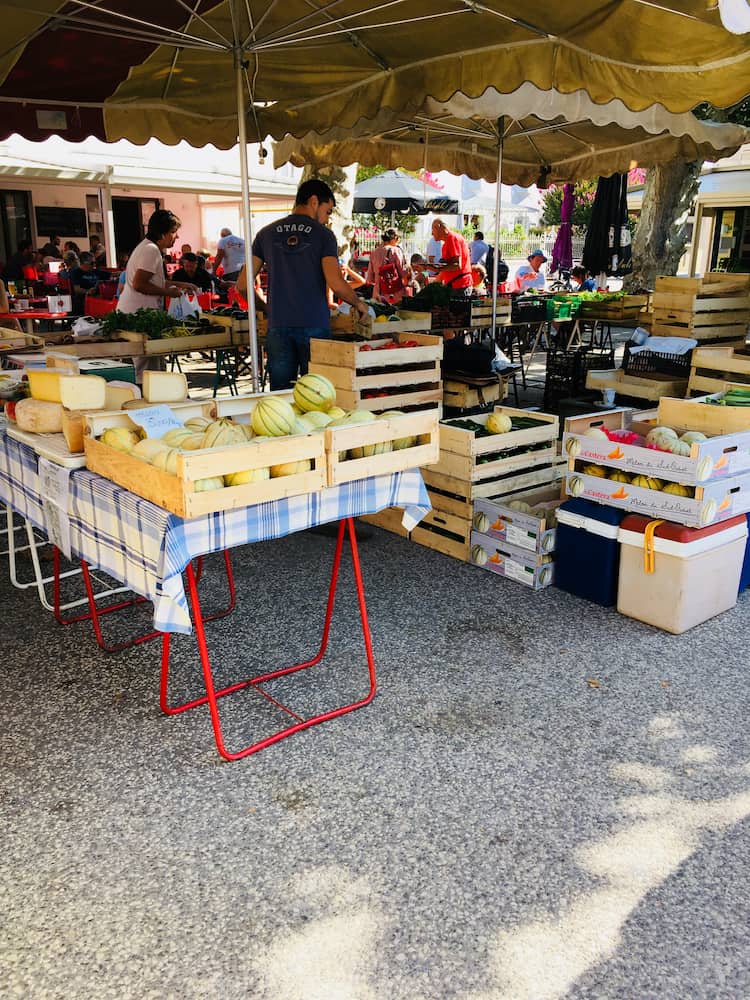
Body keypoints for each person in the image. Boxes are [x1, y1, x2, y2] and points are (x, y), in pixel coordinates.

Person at [240, 178, 370, 390]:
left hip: (278, 326)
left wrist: (265, 308)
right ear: (313, 201)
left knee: (281, 400)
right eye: (328, 212)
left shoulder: (266, 233)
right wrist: (358, 303)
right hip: (314, 326)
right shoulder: (324, 236)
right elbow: (336, 283)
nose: (327, 220)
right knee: (317, 396)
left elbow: (243, 285)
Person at [118, 209, 198, 382]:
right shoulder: (151, 250)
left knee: (150, 368)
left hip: (135, 313)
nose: (176, 237)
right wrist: (169, 292)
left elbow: (152, 281)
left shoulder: (148, 247)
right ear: (163, 233)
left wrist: (181, 284)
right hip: (138, 315)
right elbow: (139, 284)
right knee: (147, 372)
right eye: (173, 232)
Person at [430, 219, 473, 297]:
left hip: (459, 286)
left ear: (439, 227)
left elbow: (457, 265)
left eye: (433, 229)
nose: (432, 233)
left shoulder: (452, 238)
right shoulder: (446, 243)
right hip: (454, 286)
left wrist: (437, 269)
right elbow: (446, 269)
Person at [366, 228, 408, 303]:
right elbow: (403, 272)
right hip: (394, 294)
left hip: (377, 294)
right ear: (394, 238)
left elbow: (370, 279)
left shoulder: (374, 253)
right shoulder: (396, 251)